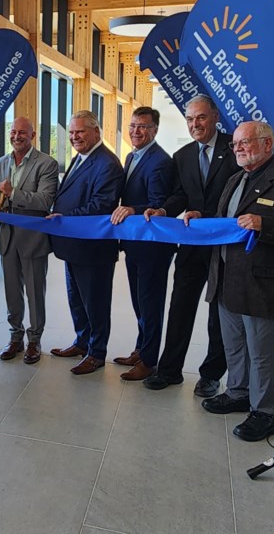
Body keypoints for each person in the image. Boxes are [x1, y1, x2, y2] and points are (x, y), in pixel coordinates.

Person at [197, 121, 274, 441]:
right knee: (234, 346)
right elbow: (226, 223)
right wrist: (198, 218)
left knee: (261, 354)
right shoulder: (235, 179)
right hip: (227, 279)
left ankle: (265, 412)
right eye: (235, 144)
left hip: (264, 286)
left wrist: (264, 225)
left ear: (268, 144)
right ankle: (238, 393)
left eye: (245, 142)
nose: (238, 148)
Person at [142, 94, 240, 397]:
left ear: (214, 117)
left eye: (200, 117)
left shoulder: (235, 149)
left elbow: (240, 198)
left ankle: (211, 375)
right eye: (189, 119)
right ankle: (169, 370)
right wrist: (162, 210)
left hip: (225, 248)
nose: (195, 124)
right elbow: (181, 194)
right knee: (180, 308)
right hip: (191, 247)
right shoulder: (182, 155)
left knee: (217, 315)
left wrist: (207, 215)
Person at [48, 110, 123, 375]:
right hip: (74, 245)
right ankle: (82, 342)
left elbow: (100, 206)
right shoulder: (81, 158)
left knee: (95, 303)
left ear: (96, 132)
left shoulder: (107, 163)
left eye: (79, 131)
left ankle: (97, 353)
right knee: (77, 300)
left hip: (93, 248)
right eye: (71, 132)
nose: (74, 137)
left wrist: (64, 217)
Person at [109, 107, 177, 381]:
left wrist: (132, 209)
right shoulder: (132, 155)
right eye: (133, 125)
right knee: (139, 301)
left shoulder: (160, 161)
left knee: (150, 303)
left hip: (153, 247)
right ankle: (141, 348)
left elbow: (158, 204)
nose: (136, 131)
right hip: (135, 242)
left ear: (155, 130)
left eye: (143, 127)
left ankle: (149, 361)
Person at [0, 116, 58, 365]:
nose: (17, 136)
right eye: (13, 132)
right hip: (7, 237)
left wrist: (13, 194)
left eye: (22, 133)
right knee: (12, 293)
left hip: (33, 240)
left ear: (33, 135)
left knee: (35, 293)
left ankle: (34, 341)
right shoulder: (0, 163)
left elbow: (44, 200)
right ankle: (15, 337)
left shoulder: (47, 164)